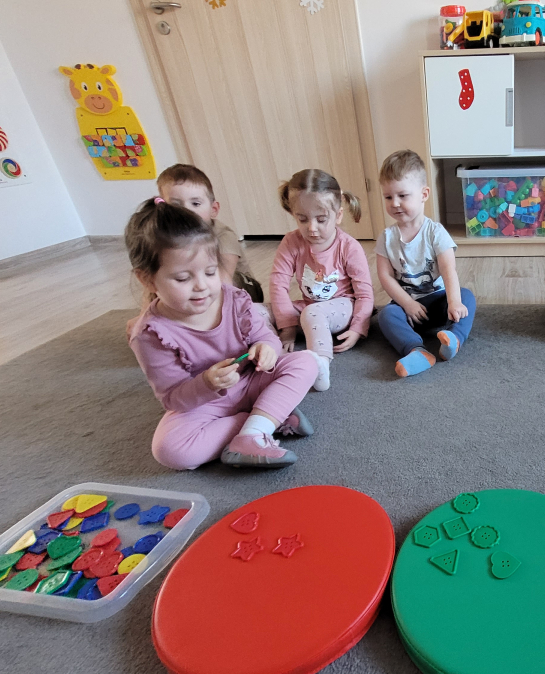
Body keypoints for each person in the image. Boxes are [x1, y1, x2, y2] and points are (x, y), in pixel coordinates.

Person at [125, 197, 318, 470]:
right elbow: (173, 398)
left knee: (306, 362)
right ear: (147, 279)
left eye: (210, 272)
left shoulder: (233, 298)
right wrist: (208, 383)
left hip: (252, 380)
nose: (201, 286)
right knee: (170, 450)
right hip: (206, 404)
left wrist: (267, 348)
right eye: (183, 278)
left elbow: (266, 337)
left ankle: (255, 430)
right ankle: (266, 418)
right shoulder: (150, 334)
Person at [270, 169, 374, 392]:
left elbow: (364, 293)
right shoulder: (291, 242)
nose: (312, 228)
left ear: (338, 215)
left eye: (321, 219)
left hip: (342, 308)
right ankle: (268, 352)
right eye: (302, 219)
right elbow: (278, 284)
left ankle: (320, 365)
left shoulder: (349, 247)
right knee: (255, 311)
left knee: (312, 313)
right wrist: (287, 327)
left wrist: (358, 327)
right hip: (308, 307)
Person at [375, 149, 476, 378]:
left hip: (439, 302)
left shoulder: (435, 233)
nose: (395, 203)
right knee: (386, 315)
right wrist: (407, 304)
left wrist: (454, 302)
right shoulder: (386, 237)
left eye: (402, 195)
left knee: (466, 296)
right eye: (388, 197)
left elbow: (448, 270)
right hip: (408, 308)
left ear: (424, 194)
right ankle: (416, 350)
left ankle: (455, 338)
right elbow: (385, 276)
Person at [156, 163, 264, 302]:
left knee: (225, 280)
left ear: (214, 209)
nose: (186, 212)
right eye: (176, 205)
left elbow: (225, 280)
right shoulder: (164, 236)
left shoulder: (223, 235)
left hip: (241, 288)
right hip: (197, 284)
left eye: (195, 204)